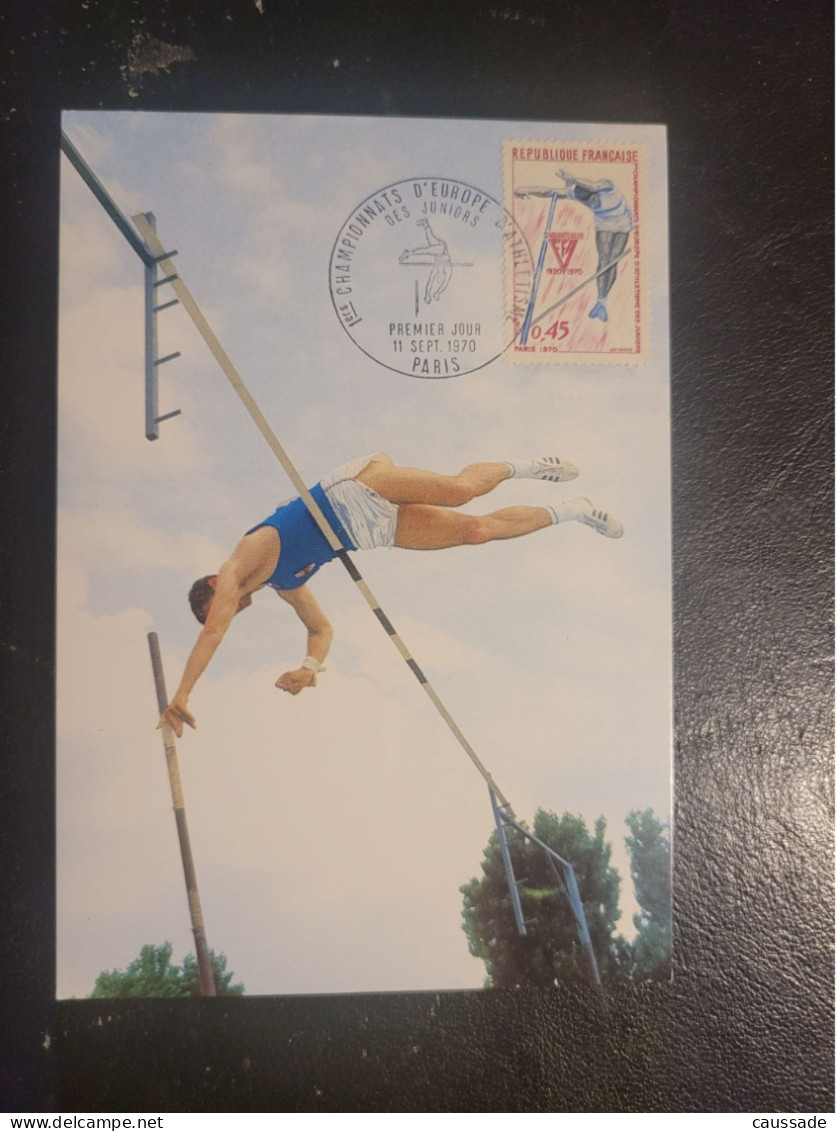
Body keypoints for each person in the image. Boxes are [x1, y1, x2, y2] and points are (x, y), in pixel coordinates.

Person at [157, 452, 622, 736]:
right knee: (476, 532)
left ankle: (533, 467)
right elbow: (320, 629)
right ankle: (572, 511)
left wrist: (182, 694)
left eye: (216, 606)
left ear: (215, 587)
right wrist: (308, 668)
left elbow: (214, 632)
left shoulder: (240, 558)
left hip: (352, 491)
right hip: (370, 531)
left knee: (460, 491)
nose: (227, 614)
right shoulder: (284, 583)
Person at [515, 170, 633, 322]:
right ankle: (600, 302)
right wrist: (525, 190)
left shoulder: (605, 187)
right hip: (604, 223)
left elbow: (591, 184)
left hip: (623, 222)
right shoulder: (576, 194)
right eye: (588, 204)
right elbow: (549, 192)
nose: (592, 205)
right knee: (604, 259)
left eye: (593, 201)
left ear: (594, 193)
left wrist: (574, 179)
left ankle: (603, 301)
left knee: (613, 260)